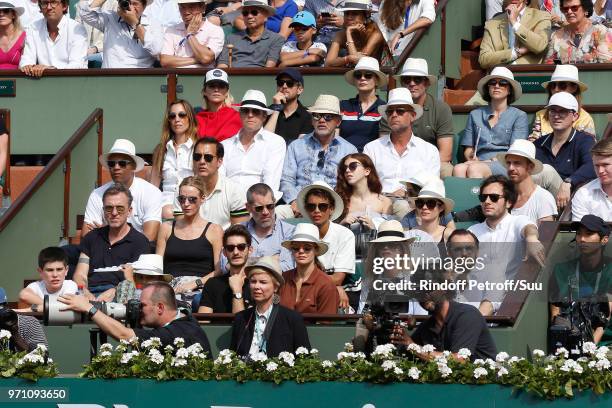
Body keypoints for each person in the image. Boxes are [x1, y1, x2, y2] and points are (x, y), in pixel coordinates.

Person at [59, 281, 212, 351]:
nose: (138, 310)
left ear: (160, 307)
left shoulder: (178, 332)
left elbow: (124, 335)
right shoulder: (184, 318)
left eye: (142, 305)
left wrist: (89, 308)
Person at [390, 269, 498, 361]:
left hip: (482, 383)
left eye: (429, 288)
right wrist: (398, 340)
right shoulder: (427, 327)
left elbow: (459, 360)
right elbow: (403, 355)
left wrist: (412, 346)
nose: (425, 295)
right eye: (419, 292)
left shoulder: (467, 315)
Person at [363, 87, 440, 216]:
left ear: (412, 116)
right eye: (390, 112)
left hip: (412, 204)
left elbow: (431, 187)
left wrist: (408, 193)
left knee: (403, 206)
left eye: (400, 111)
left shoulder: (429, 151)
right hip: (378, 202)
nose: (394, 115)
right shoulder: (371, 148)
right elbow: (364, 185)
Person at [280, 94, 357, 216]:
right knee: (279, 212)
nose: (321, 120)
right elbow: (287, 179)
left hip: (334, 206)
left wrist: (338, 205)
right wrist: (295, 201)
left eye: (328, 117)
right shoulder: (296, 146)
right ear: (311, 120)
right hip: (300, 204)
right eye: (316, 116)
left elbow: (353, 184)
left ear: (338, 121)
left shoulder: (349, 150)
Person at [468, 175, 545, 292]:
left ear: (508, 202)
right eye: (483, 197)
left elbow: (529, 228)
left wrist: (532, 239)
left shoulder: (517, 221)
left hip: (508, 298)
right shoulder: (472, 231)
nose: (487, 202)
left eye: (494, 197)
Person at [74, 183, 150, 301]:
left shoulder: (140, 242)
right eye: (109, 208)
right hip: (89, 293)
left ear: (129, 211)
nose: (114, 213)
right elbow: (80, 274)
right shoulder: (92, 237)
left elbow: (139, 283)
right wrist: (84, 291)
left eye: (120, 208)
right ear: (103, 211)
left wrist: (115, 290)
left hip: (121, 297)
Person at [380, 58, 455, 178]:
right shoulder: (390, 110)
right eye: (407, 79)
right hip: (396, 159)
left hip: (429, 162)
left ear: (426, 83)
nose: (412, 83)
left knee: (446, 170)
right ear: (402, 83)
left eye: (417, 79)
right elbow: (383, 148)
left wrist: (416, 167)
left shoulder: (441, 109)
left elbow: (445, 154)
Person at [454, 67, 528, 179]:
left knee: (474, 169)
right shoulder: (475, 114)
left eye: (503, 83)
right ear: (488, 87)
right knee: (458, 168)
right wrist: (471, 158)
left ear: (509, 90)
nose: (497, 86)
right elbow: (468, 148)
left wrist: (486, 162)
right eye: (492, 82)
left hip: (505, 163)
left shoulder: (519, 116)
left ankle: (482, 197)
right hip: (478, 161)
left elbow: (515, 152)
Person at [82, 139, 162, 242]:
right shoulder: (97, 194)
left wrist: (104, 232)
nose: (116, 167)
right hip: (105, 250)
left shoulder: (151, 193)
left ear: (133, 166)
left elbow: (149, 237)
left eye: (122, 163)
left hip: (137, 254)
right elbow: (86, 234)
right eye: (111, 163)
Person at [231, 256, 310, 358]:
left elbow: (305, 358)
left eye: (263, 282)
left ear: (276, 287)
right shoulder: (241, 317)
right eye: (253, 281)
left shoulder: (292, 318)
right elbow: (233, 355)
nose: (256, 287)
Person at [549, 215, 612, 344]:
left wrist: (588, 349)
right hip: (570, 343)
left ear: (604, 240)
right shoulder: (561, 270)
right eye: (578, 234)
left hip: (605, 345)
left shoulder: (609, 270)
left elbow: (605, 319)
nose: (582, 239)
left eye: (588, 234)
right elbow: (555, 314)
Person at [156, 176, 222, 294]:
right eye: (182, 199)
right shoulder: (166, 228)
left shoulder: (214, 230)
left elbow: (219, 270)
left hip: (200, 288)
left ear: (202, 199)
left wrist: (195, 283)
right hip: (171, 288)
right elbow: (157, 267)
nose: (186, 204)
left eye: (192, 199)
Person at [297, 181, 356, 311]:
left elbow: (338, 278)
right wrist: (335, 285)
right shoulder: (298, 232)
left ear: (331, 209)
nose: (317, 211)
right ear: (307, 209)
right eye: (311, 207)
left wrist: (337, 285)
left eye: (322, 206)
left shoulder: (345, 235)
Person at [533, 92, 596, 208]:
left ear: (575, 116)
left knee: (546, 171)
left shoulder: (584, 140)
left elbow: (593, 166)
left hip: (571, 200)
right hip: (540, 202)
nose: (556, 116)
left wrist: (569, 181)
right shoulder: (538, 143)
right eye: (552, 110)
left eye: (563, 111)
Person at [221, 89, 285, 201]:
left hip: (259, 206)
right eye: (246, 111)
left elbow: (270, 183)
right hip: (228, 203)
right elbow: (220, 182)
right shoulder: (225, 145)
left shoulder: (275, 142)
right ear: (240, 114)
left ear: (264, 116)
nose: (250, 115)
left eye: (255, 111)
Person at [78, 0, 163, 68]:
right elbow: (84, 13)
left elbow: (156, 50)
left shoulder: (154, 24)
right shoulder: (110, 18)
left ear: (144, 6)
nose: (130, 7)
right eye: (127, 3)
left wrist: (135, 23)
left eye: (135, 4)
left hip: (139, 78)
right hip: (111, 78)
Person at [150, 99, 197, 220]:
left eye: (182, 115)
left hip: (191, 202)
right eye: (172, 116)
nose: (177, 119)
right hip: (165, 204)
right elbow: (153, 187)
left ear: (190, 118)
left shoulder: (198, 147)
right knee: (167, 212)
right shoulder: (161, 150)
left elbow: (203, 183)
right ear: (169, 121)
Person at [279, 223, 339, 313]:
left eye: (307, 248)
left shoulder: (326, 284)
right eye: (296, 248)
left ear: (316, 250)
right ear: (291, 251)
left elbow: (326, 325)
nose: (301, 251)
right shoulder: (283, 278)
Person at [192, 137, 249, 229]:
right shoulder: (182, 189)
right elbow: (182, 230)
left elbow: (240, 233)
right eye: (197, 157)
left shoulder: (234, 191)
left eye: (208, 157)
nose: (202, 161)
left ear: (219, 161)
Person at [19, 0, 87, 77]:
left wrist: (50, 69)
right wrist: (29, 67)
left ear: (64, 6)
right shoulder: (33, 28)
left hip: (71, 83)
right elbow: (26, 60)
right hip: (42, 83)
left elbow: (77, 66)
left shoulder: (76, 29)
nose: (49, 7)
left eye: (54, 2)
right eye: (45, 3)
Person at [529, 64, 595, 141]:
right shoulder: (541, 115)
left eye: (562, 85)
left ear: (574, 88)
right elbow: (533, 143)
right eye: (553, 86)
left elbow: (588, 146)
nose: (556, 89)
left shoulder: (585, 118)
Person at [498, 139, 557, 223]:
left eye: (517, 163)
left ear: (531, 167)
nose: (511, 168)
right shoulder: (501, 196)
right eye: (508, 163)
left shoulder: (543, 198)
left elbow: (546, 235)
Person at [478, 0, 551, 68]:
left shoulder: (541, 16)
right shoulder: (492, 23)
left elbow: (540, 45)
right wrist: (515, 53)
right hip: (499, 76)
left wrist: (514, 23)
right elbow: (483, 59)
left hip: (527, 75)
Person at [198, 224, 252, 313]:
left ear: (250, 250)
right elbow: (204, 323)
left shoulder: (257, 284)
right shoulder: (212, 284)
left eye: (241, 247)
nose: (236, 252)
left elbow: (241, 325)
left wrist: (237, 291)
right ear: (224, 252)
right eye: (230, 248)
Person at [243, 183, 295, 271]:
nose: (265, 212)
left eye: (270, 206)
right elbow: (226, 265)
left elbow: (289, 267)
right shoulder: (238, 230)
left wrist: (247, 262)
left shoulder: (289, 231)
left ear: (275, 203)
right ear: (248, 208)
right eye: (259, 208)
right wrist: (272, 260)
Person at [217, 0, 284, 68]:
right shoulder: (231, 38)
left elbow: (270, 67)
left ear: (266, 17)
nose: (249, 16)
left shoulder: (276, 39)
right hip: (233, 77)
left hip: (260, 76)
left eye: (254, 12)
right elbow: (222, 65)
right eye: (245, 13)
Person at [339, 56, 386, 152]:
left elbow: (383, 144)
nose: (362, 78)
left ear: (376, 80)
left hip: (371, 160)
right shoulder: (343, 106)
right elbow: (334, 138)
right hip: (343, 159)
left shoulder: (384, 108)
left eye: (368, 75)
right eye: (358, 75)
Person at [336, 153, 392, 232]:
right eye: (344, 168)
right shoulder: (339, 200)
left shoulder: (385, 202)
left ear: (367, 171)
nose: (347, 170)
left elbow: (389, 234)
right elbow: (329, 232)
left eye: (353, 166)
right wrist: (342, 223)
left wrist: (374, 227)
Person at [159, 0, 224, 68]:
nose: (186, 12)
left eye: (191, 7)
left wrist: (190, 34)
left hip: (203, 76)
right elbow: (165, 61)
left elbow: (206, 58)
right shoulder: (171, 30)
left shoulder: (215, 30)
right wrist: (197, 59)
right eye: (182, 7)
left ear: (203, 8)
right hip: (177, 76)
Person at [446, 229, 495, 316]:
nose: (464, 253)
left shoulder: (493, 273)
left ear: (477, 251)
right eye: (458, 249)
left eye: (469, 248)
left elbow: (487, 308)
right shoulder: (441, 278)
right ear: (449, 253)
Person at [545, 0, 611, 63]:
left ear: (585, 9)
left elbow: (608, 62)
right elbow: (549, 64)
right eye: (565, 9)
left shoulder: (601, 32)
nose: (569, 11)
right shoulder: (556, 36)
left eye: (574, 8)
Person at [325, 0, 386, 67]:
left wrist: (348, 32)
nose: (349, 17)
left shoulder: (376, 33)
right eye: (347, 13)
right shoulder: (341, 34)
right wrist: (348, 58)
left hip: (371, 75)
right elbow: (328, 64)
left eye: (354, 14)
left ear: (366, 16)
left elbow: (358, 62)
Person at [263, 68, 314, 145]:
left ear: (299, 89)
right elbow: (264, 141)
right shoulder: (267, 112)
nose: (284, 86)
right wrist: (276, 109)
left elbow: (300, 148)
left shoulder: (307, 116)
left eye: (289, 83)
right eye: (280, 83)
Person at [406, 178, 455, 257]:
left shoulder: (450, 236)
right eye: (420, 203)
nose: (424, 207)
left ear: (441, 207)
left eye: (430, 203)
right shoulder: (410, 235)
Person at [195, 68, 242, 142]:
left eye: (221, 86)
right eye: (212, 86)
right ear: (204, 91)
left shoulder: (240, 111)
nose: (216, 89)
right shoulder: (197, 119)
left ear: (227, 92)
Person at [572, 137, 612, 221]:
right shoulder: (583, 194)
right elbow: (582, 231)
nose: (600, 171)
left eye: (605, 165)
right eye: (596, 166)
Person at [0, 287, 48, 352]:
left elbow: (43, 355)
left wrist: (15, 334)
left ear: (6, 305)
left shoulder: (28, 322)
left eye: (1, 306)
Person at [0, 2, 25, 69]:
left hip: (19, 79)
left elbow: (28, 63)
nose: (1, 14)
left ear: (13, 15)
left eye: (6, 11)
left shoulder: (25, 37)